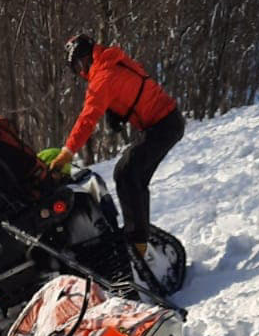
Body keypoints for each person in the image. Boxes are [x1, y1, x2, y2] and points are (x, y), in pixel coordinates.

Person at [49, 34, 184, 264]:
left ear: (87, 57)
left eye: (80, 64)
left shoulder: (103, 75)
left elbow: (87, 118)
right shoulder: (111, 60)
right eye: (76, 68)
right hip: (164, 123)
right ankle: (139, 235)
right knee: (134, 177)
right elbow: (130, 84)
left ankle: (137, 242)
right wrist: (116, 110)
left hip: (163, 125)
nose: (81, 71)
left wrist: (67, 152)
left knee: (126, 173)